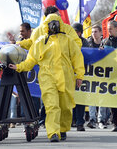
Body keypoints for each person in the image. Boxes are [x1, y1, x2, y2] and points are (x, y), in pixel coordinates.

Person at [9, 14, 84, 142]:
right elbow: (31, 59)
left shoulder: (68, 40)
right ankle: (53, 133)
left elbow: (77, 57)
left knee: (65, 106)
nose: (53, 25)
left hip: (66, 77)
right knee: (51, 105)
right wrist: (19, 67)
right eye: (50, 22)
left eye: (55, 22)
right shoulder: (40, 42)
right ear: (46, 25)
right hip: (47, 77)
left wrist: (79, 75)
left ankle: (63, 128)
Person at [17, 6, 82, 50]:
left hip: (63, 66)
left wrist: (66, 51)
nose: (58, 17)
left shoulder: (67, 29)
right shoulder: (37, 31)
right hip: (45, 67)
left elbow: (77, 43)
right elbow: (31, 43)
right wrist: (19, 44)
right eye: (57, 15)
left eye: (59, 15)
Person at [85, 25, 108, 129]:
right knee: (91, 97)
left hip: (103, 74)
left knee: (102, 98)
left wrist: (104, 52)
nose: (93, 33)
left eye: (95, 32)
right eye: (92, 32)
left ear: (100, 33)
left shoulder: (105, 43)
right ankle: (92, 119)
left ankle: (101, 120)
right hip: (91, 74)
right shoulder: (87, 43)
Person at [71, 23, 89, 131]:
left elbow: (89, 55)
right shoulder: (68, 41)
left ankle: (79, 122)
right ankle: (71, 120)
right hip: (70, 73)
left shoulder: (85, 43)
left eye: (76, 31)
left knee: (80, 99)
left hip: (81, 74)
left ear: (80, 33)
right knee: (70, 98)